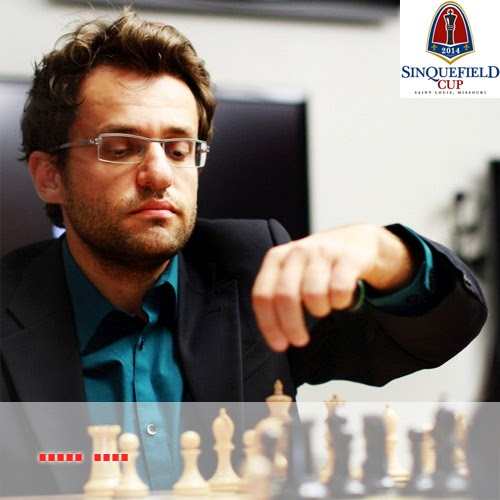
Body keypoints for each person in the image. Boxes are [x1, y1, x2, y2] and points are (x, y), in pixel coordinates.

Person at [0, 8, 488, 491]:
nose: (160, 175)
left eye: (179, 149)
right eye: (121, 148)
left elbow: (445, 330)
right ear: (49, 176)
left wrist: (386, 254)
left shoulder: (254, 264)